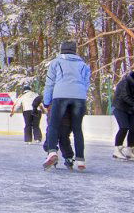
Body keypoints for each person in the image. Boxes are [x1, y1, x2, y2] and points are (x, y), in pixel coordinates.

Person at [42, 40, 90, 171]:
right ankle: (80, 159)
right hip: (79, 97)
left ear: (61, 50)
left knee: (54, 125)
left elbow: (50, 83)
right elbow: (86, 83)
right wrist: (80, 94)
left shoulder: (56, 62)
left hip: (60, 95)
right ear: (75, 51)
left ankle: (52, 152)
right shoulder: (83, 65)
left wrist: (46, 102)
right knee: (77, 129)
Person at [111, 69, 134, 160]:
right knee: (124, 127)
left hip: (130, 108)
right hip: (119, 107)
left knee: (133, 129)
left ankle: (130, 150)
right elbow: (125, 96)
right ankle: (117, 149)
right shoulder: (125, 82)